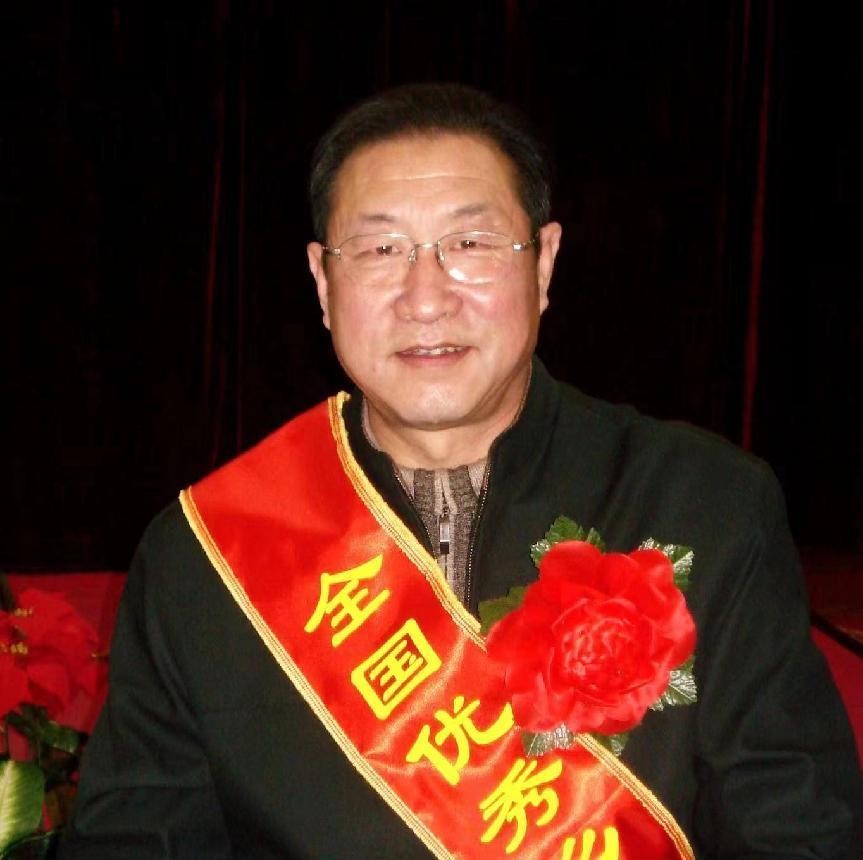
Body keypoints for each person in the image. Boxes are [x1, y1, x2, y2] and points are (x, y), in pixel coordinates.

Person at [62, 83, 860, 858]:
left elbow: (797, 832)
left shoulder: (705, 503)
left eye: (470, 244)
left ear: (543, 264)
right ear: (322, 282)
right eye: (379, 250)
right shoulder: (208, 555)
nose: (425, 297)